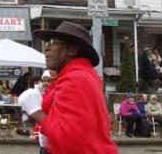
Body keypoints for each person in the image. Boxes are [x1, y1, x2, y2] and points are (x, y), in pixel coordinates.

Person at [19, 21, 118, 154]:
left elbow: (70, 141)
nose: (46, 48)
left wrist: (36, 112)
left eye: (53, 42)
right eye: (47, 42)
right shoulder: (80, 74)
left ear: (72, 50)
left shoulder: (75, 79)